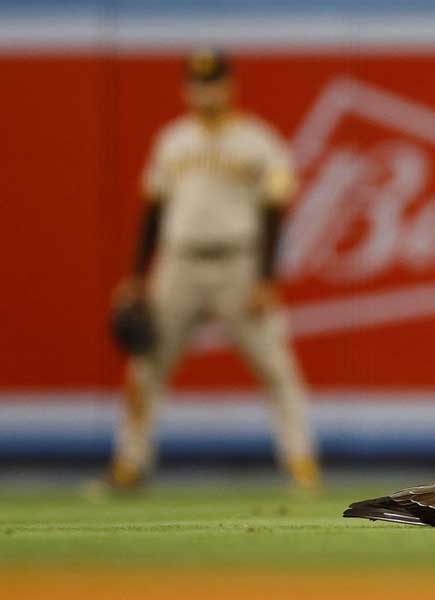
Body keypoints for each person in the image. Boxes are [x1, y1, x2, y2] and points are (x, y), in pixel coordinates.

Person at [109, 48, 319, 489]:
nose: (206, 90)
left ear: (230, 85)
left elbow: (274, 211)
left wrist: (265, 278)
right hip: (178, 263)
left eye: (214, 81)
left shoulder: (258, 140)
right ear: (187, 88)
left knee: (276, 367)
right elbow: (153, 210)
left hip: (238, 264)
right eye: (198, 82)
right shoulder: (172, 140)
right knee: (145, 367)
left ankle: (301, 462)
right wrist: (135, 276)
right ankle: (130, 463)